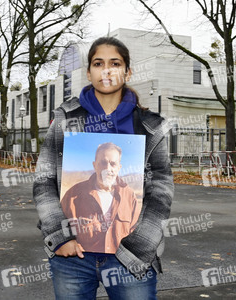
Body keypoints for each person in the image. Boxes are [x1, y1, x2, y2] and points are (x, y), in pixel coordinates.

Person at [33, 36, 174, 300]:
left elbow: (161, 190)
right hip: (73, 257)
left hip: (131, 259)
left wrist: (138, 247)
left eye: (115, 63)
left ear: (127, 71)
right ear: (89, 72)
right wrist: (59, 237)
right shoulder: (65, 119)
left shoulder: (150, 125)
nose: (106, 70)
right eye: (98, 63)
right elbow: (44, 180)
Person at [60, 142, 140, 254]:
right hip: (83, 262)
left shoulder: (129, 196)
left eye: (113, 164)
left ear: (119, 167)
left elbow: (135, 234)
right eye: (103, 163)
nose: (108, 168)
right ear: (94, 165)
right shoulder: (74, 194)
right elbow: (58, 227)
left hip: (118, 263)